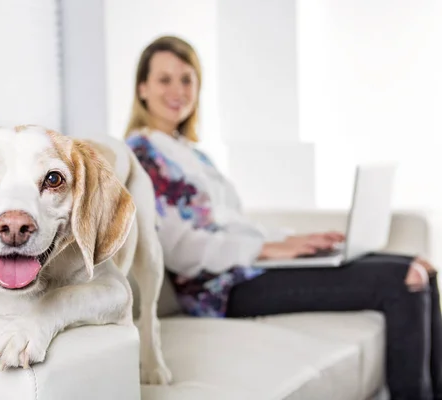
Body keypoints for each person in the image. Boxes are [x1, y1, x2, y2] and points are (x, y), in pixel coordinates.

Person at [124, 35, 441, 400]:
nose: (178, 90)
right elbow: (181, 250)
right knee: (404, 279)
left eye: (187, 79)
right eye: (165, 79)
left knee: (422, 269)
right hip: (223, 289)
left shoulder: (191, 153)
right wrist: (270, 248)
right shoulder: (141, 154)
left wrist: (295, 241)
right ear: (143, 88)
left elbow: (234, 222)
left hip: (251, 268)